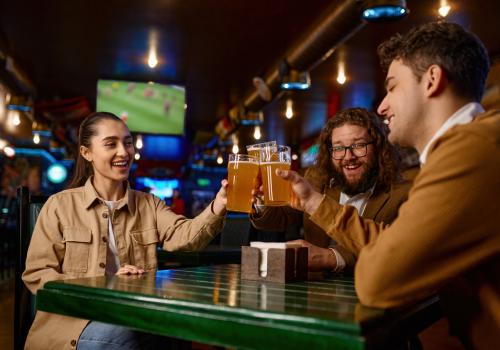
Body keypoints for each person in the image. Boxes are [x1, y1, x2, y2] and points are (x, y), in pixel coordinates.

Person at [275, 22, 499, 349]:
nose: (382, 107)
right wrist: (313, 203)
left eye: (392, 87)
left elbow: (377, 281)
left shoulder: (470, 150)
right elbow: (398, 244)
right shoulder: (477, 142)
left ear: (432, 81)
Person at [22, 112, 228, 350]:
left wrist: (220, 204)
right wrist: (106, 285)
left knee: (177, 330)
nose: (124, 152)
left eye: (127, 143)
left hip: (132, 316)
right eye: (111, 144)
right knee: (128, 336)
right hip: (72, 326)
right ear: (86, 153)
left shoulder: (149, 204)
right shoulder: (59, 205)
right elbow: (37, 274)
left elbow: (185, 236)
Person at [250, 108, 414, 272]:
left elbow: (397, 249)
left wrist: (330, 257)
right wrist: (260, 202)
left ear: (378, 148)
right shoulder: (317, 180)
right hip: (315, 292)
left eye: (358, 145)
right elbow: (280, 218)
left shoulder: (405, 194)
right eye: (338, 148)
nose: (348, 156)